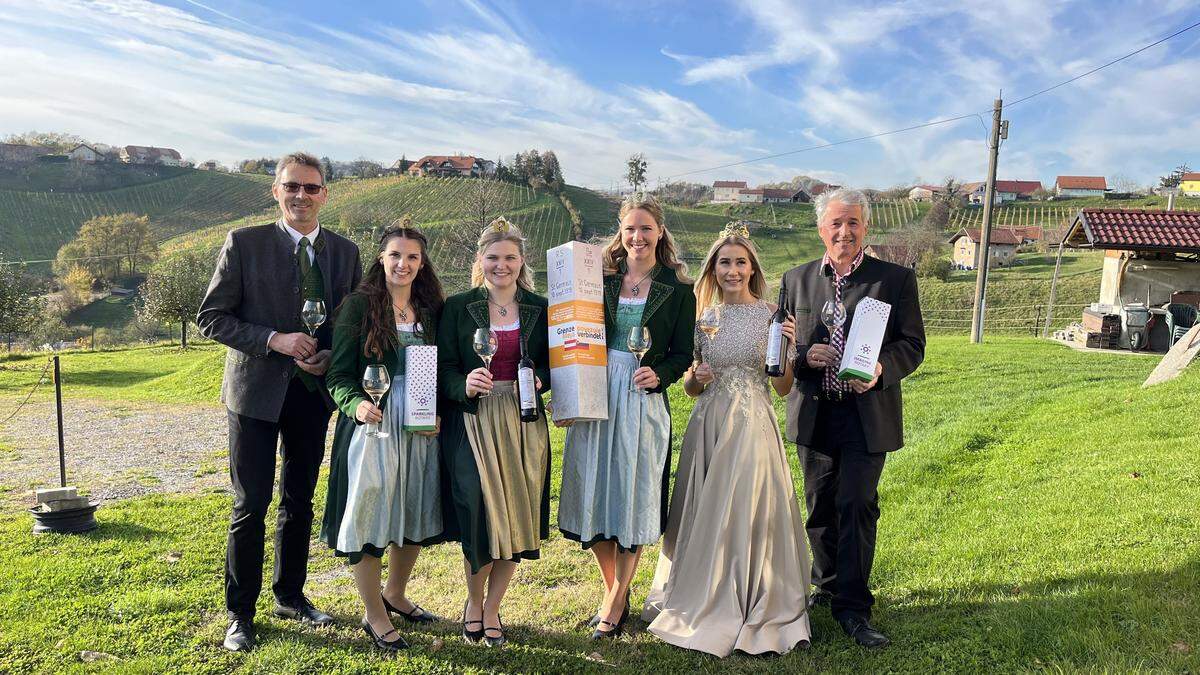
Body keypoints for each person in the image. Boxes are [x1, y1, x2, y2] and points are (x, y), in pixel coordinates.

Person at [197, 151, 362, 652]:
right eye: (292, 186)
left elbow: (351, 323)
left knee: (299, 501)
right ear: (276, 191)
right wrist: (275, 340)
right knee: (250, 503)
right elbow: (212, 318)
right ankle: (240, 614)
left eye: (312, 188)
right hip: (254, 396)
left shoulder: (345, 252)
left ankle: (290, 595)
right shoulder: (243, 244)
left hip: (312, 397)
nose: (302, 196)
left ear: (325, 195)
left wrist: (330, 352)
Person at [643, 222, 812, 657]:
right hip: (708, 422)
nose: (732, 270)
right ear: (713, 269)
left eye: (740, 262)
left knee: (744, 503)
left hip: (752, 422)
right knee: (706, 505)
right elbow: (691, 386)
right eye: (724, 263)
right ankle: (702, 586)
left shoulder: (774, 317)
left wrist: (784, 351)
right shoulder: (706, 319)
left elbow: (782, 388)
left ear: (752, 268)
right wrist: (695, 379)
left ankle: (751, 592)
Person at [781, 188, 925, 649]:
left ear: (866, 227)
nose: (845, 232)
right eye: (836, 224)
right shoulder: (796, 280)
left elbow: (912, 344)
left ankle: (855, 608)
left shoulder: (894, 279)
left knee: (857, 503)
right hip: (816, 412)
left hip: (867, 414)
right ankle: (827, 587)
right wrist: (805, 356)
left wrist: (881, 369)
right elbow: (782, 347)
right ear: (821, 229)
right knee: (819, 507)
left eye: (853, 223)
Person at [556, 192, 695, 640]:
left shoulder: (678, 289)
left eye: (646, 228)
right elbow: (572, 327)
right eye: (630, 228)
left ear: (660, 232)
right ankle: (614, 587)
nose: (637, 236)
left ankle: (615, 603)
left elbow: (682, 353)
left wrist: (663, 374)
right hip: (597, 388)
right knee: (594, 486)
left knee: (633, 490)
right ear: (621, 231)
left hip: (641, 395)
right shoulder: (600, 278)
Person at [319, 220, 447, 652]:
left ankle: (395, 594)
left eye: (413, 256)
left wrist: (438, 411)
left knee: (411, 510)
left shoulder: (431, 309)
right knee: (371, 516)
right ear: (381, 257)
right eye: (395, 255)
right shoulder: (359, 306)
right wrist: (355, 404)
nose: (404, 264)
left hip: (420, 425)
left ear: (422, 262)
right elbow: (338, 374)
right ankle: (374, 612)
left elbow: (440, 369)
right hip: (374, 425)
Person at [437, 218, 552, 648]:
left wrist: (543, 379)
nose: (501, 266)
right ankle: (472, 600)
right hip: (474, 418)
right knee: (478, 512)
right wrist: (462, 384)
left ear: (522, 262)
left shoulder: (541, 307)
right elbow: (445, 367)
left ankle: (492, 608)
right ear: (479, 261)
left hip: (523, 418)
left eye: (509, 257)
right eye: (492, 257)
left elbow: (556, 362)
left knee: (516, 517)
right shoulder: (458, 306)